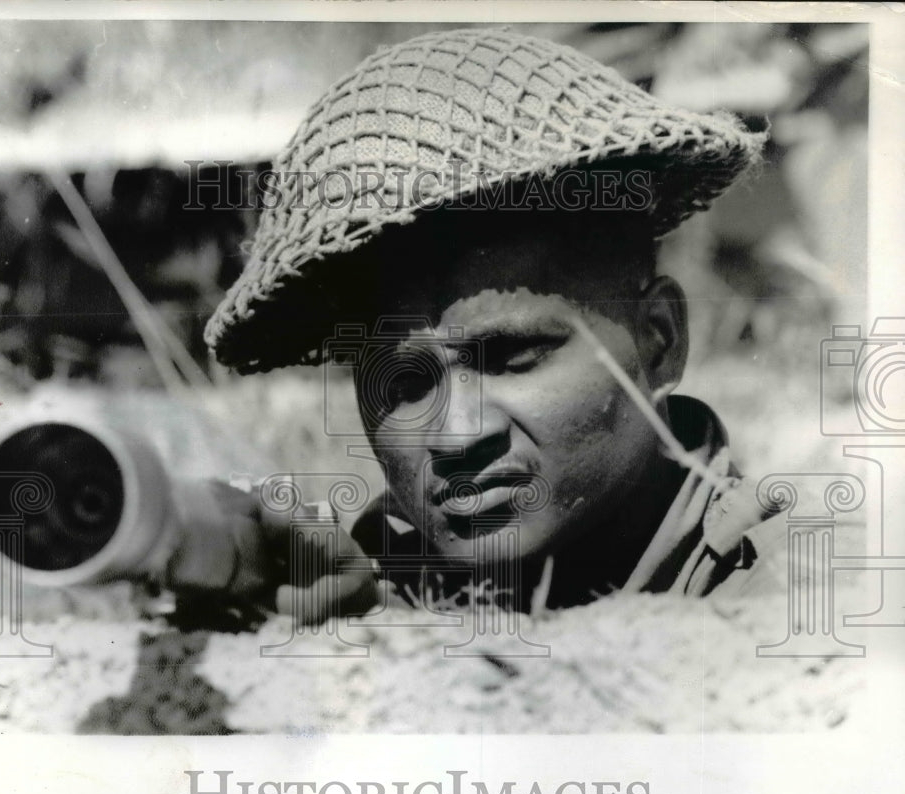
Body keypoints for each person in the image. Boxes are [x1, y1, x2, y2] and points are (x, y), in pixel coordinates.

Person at [190, 27, 791, 623]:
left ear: (659, 342)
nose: (454, 437)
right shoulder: (364, 586)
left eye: (512, 357)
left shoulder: (792, 590)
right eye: (404, 385)